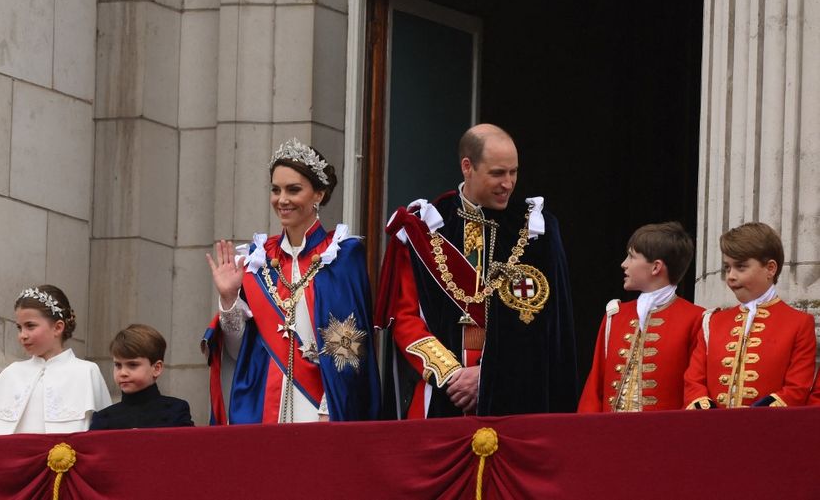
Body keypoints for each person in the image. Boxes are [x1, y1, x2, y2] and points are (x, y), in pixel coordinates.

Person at [375, 124, 577, 418]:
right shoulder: (427, 228)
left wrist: (488, 376)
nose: (508, 183)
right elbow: (405, 318)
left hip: (516, 398)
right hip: (443, 396)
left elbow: (550, 328)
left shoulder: (537, 230)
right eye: (497, 173)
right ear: (467, 167)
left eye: (514, 172)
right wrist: (452, 374)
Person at [202, 138, 381, 424]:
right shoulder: (259, 260)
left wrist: (329, 408)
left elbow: (349, 345)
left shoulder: (342, 256)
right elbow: (238, 351)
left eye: (293, 190)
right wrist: (228, 298)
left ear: (318, 194)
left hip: (321, 408)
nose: (282, 199)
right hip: (262, 408)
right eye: (276, 190)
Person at [684, 222, 816, 409]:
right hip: (712, 430)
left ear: (770, 268)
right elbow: (694, 380)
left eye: (741, 267)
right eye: (727, 268)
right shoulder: (713, 322)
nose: (731, 276)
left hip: (768, 431)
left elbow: (797, 388)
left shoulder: (799, 323)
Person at [578, 222, 704, 412]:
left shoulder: (696, 319)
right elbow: (595, 384)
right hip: (610, 435)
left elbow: (693, 390)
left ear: (656, 268)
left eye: (631, 256)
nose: (624, 264)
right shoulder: (616, 315)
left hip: (663, 436)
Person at [0, 285, 111, 435]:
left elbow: (104, 435)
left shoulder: (86, 372)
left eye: (30, 326)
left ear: (58, 328)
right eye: (19, 328)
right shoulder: (11, 373)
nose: (23, 335)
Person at [90, 324, 193, 430]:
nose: (123, 373)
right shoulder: (103, 419)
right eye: (118, 365)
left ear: (157, 368)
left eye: (133, 365)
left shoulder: (175, 411)